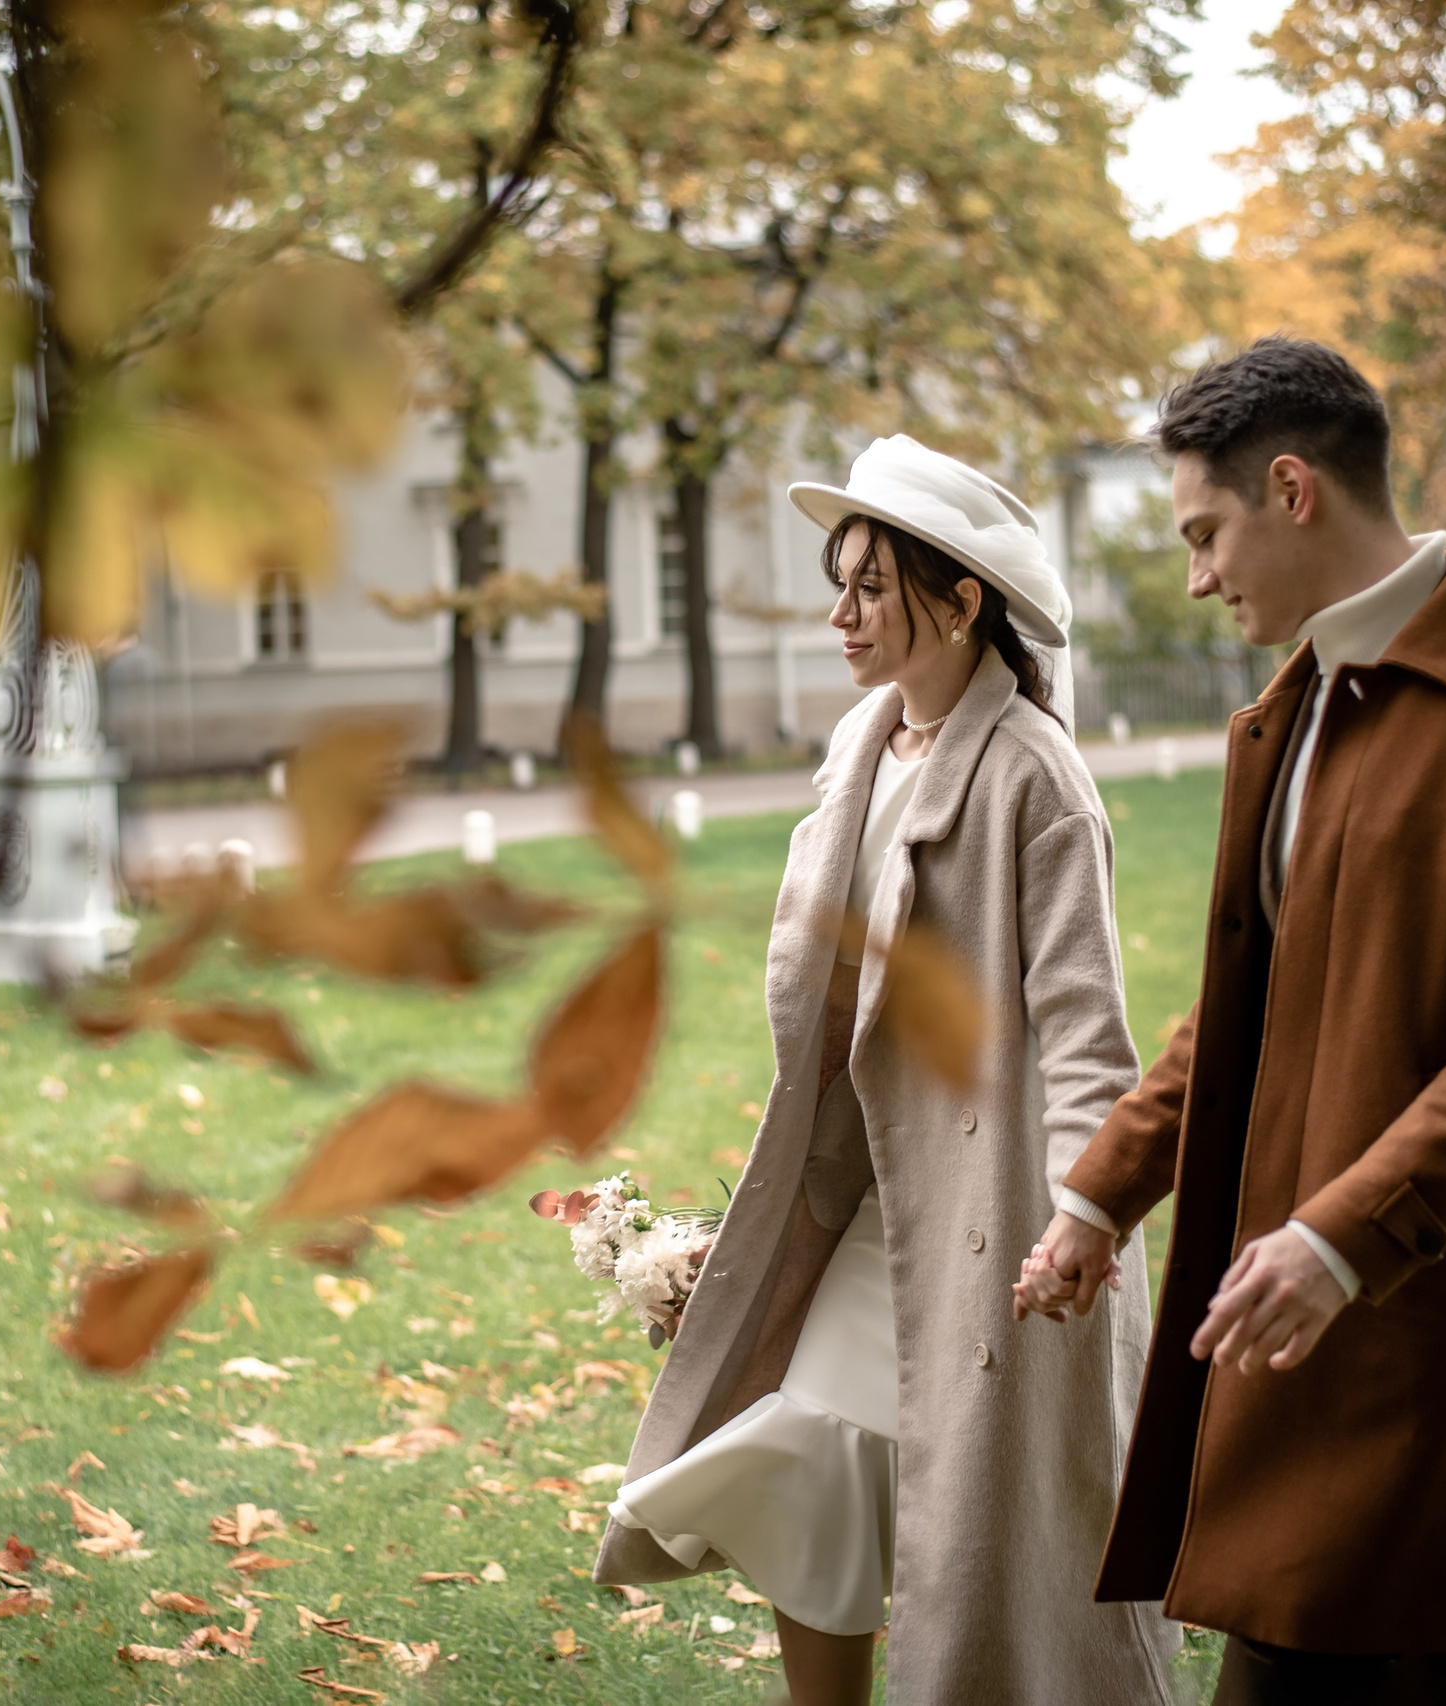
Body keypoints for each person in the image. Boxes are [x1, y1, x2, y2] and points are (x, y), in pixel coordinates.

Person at [1015, 336, 1446, 1704]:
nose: (1198, 576)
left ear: (1295, 489)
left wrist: (1340, 1236)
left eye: (1206, 533)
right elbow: (1244, 1002)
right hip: (1293, 1298)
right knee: (1280, 1654)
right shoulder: (1287, 712)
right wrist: (1100, 1195)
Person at [592, 435, 1179, 1706]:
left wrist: (1087, 1210)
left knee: (949, 1520)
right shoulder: (859, 750)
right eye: (837, 579)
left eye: (871, 585)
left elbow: (1088, 1032)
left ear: (962, 599)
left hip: (995, 1223)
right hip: (864, 1198)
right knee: (812, 1464)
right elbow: (832, 1030)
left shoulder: (1036, 777)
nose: (839, 612)